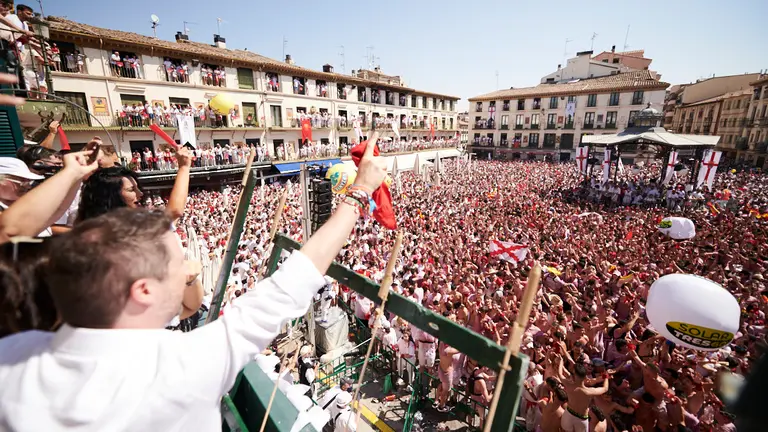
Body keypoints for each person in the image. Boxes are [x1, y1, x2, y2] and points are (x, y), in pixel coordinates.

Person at [0, 139, 387, 430]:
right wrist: (359, 194)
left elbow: (10, 233)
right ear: (143, 290)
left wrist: (70, 174)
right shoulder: (184, 366)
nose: (190, 265)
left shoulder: (14, 356)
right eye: (177, 261)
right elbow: (294, 279)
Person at [561, 363, 609, 432]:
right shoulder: (588, 392)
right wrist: (606, 376)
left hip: (569, 414)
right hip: (581, 419)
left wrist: (560, 363)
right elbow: (605, 389)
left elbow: (560, 374)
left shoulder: (569, 385)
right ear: (585, 377)